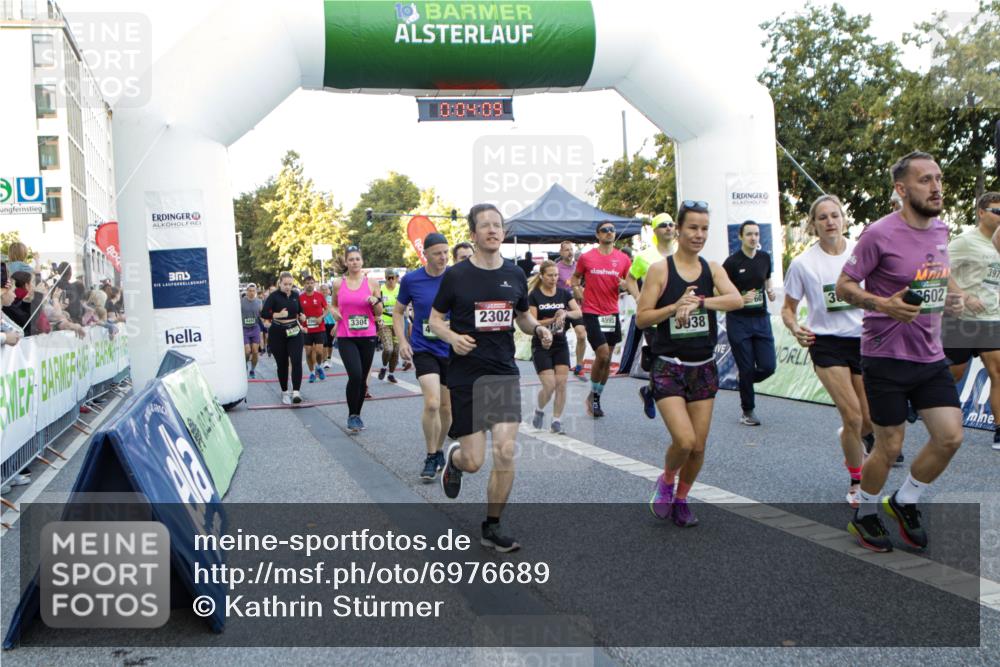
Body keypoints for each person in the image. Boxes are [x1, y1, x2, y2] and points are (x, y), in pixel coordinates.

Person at [836, 151, 967, 552]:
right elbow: (844, 287)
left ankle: (905, 499)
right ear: (901, 188)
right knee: (890, 444)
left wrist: (950, 300)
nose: (936, 187)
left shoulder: (942, 231)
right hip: (885, 355)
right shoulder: (879, 233)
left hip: (929, 355)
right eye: (925, 180)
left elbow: (933, 284)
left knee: (950, 437)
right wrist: (884, 304)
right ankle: (867, 512)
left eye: (939, 179)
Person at [430, 204, 552, 553]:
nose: (492, 230)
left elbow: (523, 318)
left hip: (502, 371)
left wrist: (539, 329)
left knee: (505, 451)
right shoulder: (457, 275)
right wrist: (453, 338)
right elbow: (436, 319)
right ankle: (454, 461)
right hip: (466, 374)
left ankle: (492, 526)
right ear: (473, 234)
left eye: (497, 225)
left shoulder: (515, 275)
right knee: (474, 461)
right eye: (484, 226)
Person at [636, 200, 743, 527]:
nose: (698, 234)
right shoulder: (660, 270)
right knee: (684, 441)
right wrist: (672, 307)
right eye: (692, 228)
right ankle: (667, 480)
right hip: (668, 365)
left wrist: (699, 302)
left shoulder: (712, 269)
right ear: (679, 231)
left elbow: (736, 299)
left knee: (698, 447)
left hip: (704, 367)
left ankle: (682, 498)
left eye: (704, 228)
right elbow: (641, 319)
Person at [781, 195, 875, 507]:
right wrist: (795, 328)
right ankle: (856, 481)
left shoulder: (861, 252)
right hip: (826, 343)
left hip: (864, 340)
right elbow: (788, 309)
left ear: (844, 219)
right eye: (823, 217)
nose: (830, 222)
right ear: (813, 225)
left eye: (835, 215)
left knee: (869, 419)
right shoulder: (803, 263)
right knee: (852, 415)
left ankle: (853, 434)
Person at [943, 191, 1000, 449]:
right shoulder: (965, 241)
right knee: (954, 373)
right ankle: (919, 398)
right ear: (980, 213)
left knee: (997, 371)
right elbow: (940, 269)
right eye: (996, 211)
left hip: (992, 318)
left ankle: (999, 430)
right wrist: (963, 295)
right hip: (963, 318)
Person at [395, 233, 453, 481]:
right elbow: (398, 312)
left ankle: (439, 449)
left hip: (451, 348)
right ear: (425, 254)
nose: (442, 258)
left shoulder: (456, 278)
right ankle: (431, 455)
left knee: (446, 407)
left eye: (446, 253)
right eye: (438, 253)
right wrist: (403, 341)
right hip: (424, 348)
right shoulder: (411, 280)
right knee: (431, 403)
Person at [573, 221, 635, 417]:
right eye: (604, 230)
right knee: (602, 355)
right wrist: (578, 290)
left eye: (612, 230)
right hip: (592, 311)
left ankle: (595, 396)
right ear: (597, 235)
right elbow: (575, 278)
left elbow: (629, 283)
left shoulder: (623, 259)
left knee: (607, 362)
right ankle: (593, 396)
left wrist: (626, 285)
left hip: (611, 312)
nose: (609, 233)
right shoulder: (586, 258)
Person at [723, 219, 777, 426]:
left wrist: (770, 290)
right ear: (740, 237)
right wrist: (737, 297)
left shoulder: (764, 258)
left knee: (768, 366)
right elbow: (719, 289)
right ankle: (748, 411)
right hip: (738, 320)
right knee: (746, 367)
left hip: (761, 318)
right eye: (749, 234)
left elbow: (766, 279)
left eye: (756, 234)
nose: (753, 238)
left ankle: (744, 381)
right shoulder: (732, 262)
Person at [626, 213, 678, 417]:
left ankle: (650, 391)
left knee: (675, 363)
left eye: (671, 224)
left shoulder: (681, 254)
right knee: (661, 362)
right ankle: (660, 396)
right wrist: (638, 297)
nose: (668, 228)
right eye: (663, 225)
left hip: (678, 318)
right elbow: (630, 278)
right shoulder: (644, 256)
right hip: (654, 318)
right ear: (655, 230)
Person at [331, 246, 383, 433]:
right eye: (351, 259)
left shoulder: (372, 283)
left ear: (362, 261)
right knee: (354, 374)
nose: (354, 262)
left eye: (357, 259)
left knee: (362, 379)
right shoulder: (338, 283)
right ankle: (352, 414)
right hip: (347, 336)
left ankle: (357, 415)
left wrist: (375, 302)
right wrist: (336, 314)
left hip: (367, 335)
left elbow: (379, 312)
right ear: (346, 262)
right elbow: (334, 305)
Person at [528, 260, 582, 434]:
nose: (553, 278)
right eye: (550, 275)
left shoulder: (564, 294)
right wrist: (553, 319)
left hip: (560, 343)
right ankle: (539, 409)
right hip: (542, 343)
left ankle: (556, 420)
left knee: (562, 384)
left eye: (556, 275)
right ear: (542, 276)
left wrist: (564, 313)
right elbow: (533, 321)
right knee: (550, 385)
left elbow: (578, 312)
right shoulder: (534, 296)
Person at [261, 272, 307, 405]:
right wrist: (278, 314)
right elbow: (264, 313)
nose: (288, 287)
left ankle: (296, 392)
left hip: (294, 331)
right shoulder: (273, 296)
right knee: (282, 364)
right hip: (278, 332)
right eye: (285, 284)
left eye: (290, 284)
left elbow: (300, 311)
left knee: (296, 360)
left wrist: (302, 316)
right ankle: (285, 392)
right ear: (279, 283)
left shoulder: (295, 295)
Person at [555, 240, 588, 380]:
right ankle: (558, 365)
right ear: (561, 253)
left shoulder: (578, 267)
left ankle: (579, 366)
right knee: (559, 339)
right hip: (561, 308)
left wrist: (582, 292)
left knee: (581, 335)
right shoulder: (556, 268)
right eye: (567, 250)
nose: (570, 252)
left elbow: (585, 284)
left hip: (576, 308)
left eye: (571, 249)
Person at [298, 276, 328, 383]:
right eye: (307, 283)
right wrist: (300, 320)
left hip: (319, 328)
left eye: (311, 283)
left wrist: (321, 317)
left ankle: (318, 367)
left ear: (314, 284)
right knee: (308, 353)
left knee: (319, 352)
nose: (309, 285)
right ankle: (311, 373)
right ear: (304, 284)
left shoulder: (319, 296)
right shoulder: (300, 298)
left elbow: (327, 309)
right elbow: (297, 312)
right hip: (306, 330)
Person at [377, 269, 401, 383]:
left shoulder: (400, 289)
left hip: (398, 323)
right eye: (388, 278)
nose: (391, 280)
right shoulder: (380, 290)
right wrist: (379, 318)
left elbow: (406, 304)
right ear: (385, 278)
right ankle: (383, 367)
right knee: (388, 349)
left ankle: (391, 374)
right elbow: (376, 307)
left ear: (396, 278)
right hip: (384, 322)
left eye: (393, 278)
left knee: (396, 351)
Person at [241, 284, 263, 378]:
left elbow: (262, 315)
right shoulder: (241, 301)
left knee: (254, 351)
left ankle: (252, 370)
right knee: (247, 351)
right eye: (249, 290)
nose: (251, 292)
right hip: (244, 328)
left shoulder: (259, 302)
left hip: (255, 328)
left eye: (253, 291)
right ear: (247, 291)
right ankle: (244, 364)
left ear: (256, 292)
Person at [320, 283, 336, 368]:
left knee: (330, 343)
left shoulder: (332, 299)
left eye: (325, 289)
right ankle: (325, 360)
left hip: (332, 323)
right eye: (322, 290)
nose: (324, 291)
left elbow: (337, 310)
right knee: (324, 342)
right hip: (323, 324)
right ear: (320, 291)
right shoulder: (318, 299)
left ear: (328, 291)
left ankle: (329, 358)